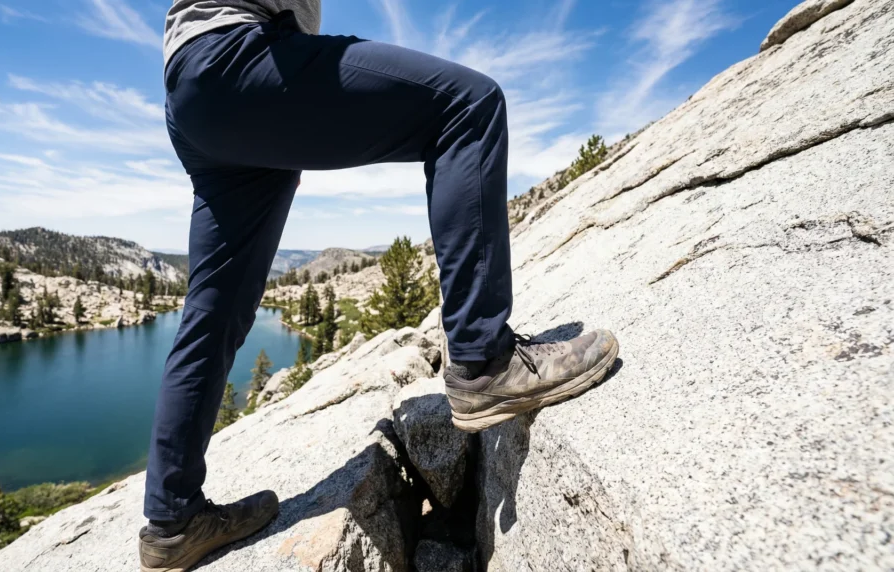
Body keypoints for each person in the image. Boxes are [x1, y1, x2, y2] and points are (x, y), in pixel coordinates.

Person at [139, 1, 620, 570]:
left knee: (213, 310)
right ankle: (484, 360)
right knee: (468, 104)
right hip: (244, 59)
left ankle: (172, 521)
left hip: (193, 88)